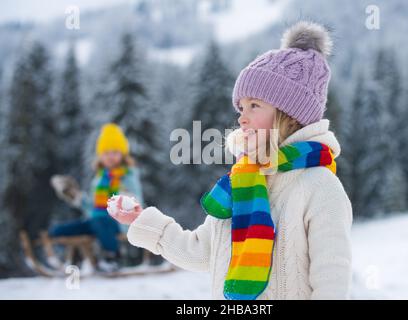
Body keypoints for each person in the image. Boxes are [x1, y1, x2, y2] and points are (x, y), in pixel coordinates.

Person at [109, 21, 353, 299]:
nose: (241, 117)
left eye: (254, 106)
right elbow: (201, 251)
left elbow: (332, 280)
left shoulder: (320, 188)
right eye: (241, 107)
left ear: (290, 115)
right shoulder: (243, 180)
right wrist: (141, 220)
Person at [50, 123, 143, 272]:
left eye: (115, 152)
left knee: (100, 221)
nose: (110, 156)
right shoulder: (99, 178)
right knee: (59, 230)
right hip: (95, 219)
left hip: (118, 222)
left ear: (123, 154)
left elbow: (136, 201)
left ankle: (113, 257)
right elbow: (91, 205)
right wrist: (74, 195)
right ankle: (69, 259)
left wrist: (124, 197)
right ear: (100, 155)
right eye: (106, 153)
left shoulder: (128, 176)